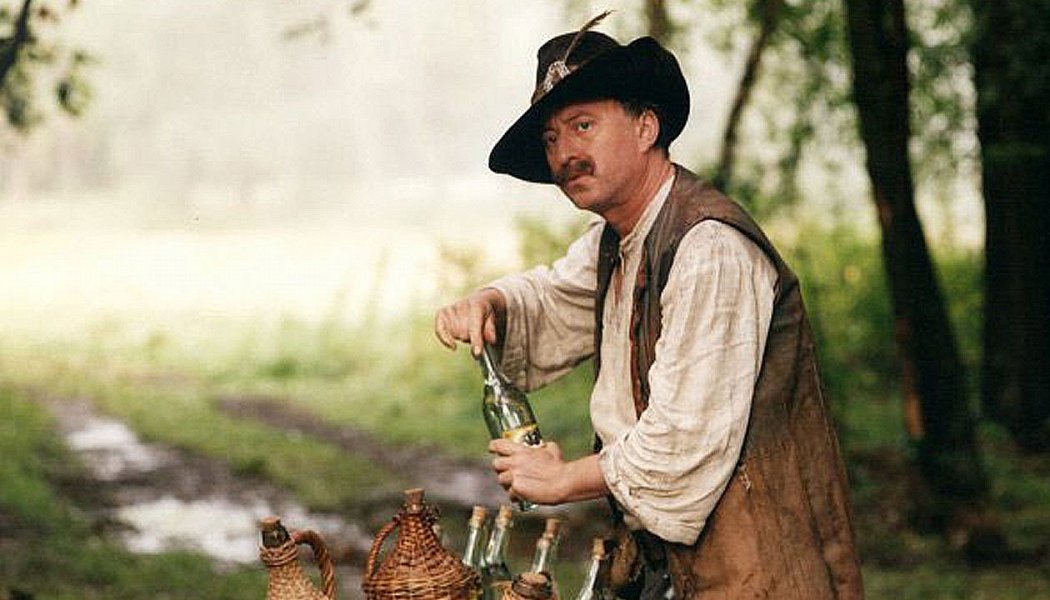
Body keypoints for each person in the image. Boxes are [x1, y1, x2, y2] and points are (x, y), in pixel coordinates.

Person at [434, 14, 863, 600]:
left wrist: (563, 479)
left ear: (645, 127)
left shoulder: (710, 248)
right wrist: (492, 303)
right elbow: (555, 299)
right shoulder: (618, 238)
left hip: (757, 574)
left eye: (583, 125)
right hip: (667, 572)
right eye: (552, 139)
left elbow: (682, 441)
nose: (565, 154)